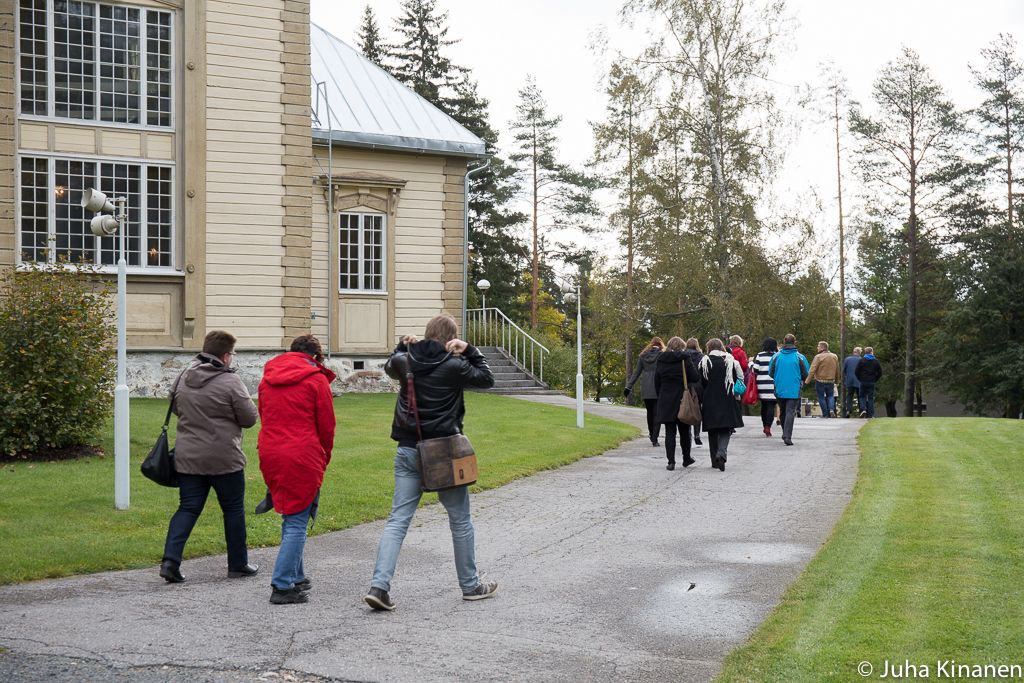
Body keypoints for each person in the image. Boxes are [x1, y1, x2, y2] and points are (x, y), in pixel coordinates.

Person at [365, 314, 497, 612]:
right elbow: (487, 379)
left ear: (426, 334)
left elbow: (390, 364)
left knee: (398, 520)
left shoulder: (405, 361)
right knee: (460, 520)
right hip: (444, 452)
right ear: (452, 338)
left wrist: (401, 345)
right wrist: (470, 350)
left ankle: (379, 587)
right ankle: (471, 585)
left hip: (409, 448)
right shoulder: (454, 365)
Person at [160, 330, 259, 584]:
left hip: (188, 457)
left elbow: (175, 407)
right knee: (233, 509)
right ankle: (237, 564)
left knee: (188, 507)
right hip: (224, 458)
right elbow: (249, 419)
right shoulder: (231, 382)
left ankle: (170, 561)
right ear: (226, 356)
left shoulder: (183, 376)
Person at [257, 335, 337, 605]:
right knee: (297, 520)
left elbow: (264, 414)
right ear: (315, 356)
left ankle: (296, 576)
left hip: (271, 450)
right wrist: (324, 457)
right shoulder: (315, 380)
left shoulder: (268, 378)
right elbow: (326, 426)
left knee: (291, 513)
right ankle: (282, 585)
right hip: (301, 452)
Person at [653, 336, 701, 470]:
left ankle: (671, 462)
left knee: (670, 431)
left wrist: (660, 395)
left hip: (666, 398)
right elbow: (695, 377)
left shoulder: (661, 359)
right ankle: (686, 458)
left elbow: (657, 380)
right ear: (682, 346)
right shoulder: (684, 358)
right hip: (682, 398)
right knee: (685, 431)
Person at [698, 338, 744, 471]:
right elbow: (738, 379)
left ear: (709, 348)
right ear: (722, 347)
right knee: (726, 428)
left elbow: (702, 383)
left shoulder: (705, 362)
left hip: (710, 399)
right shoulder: (731, 361)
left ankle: (714, 460)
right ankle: (722, 452)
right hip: (727, 398)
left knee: (712, 430)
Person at [768, 334, 810, 446]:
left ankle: (784, 432)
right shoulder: (800, 357)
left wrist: (778, 378)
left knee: (782, 410)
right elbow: (806, 373)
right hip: (794, 387)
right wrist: (800, 380)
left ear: (784, 341)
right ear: (794, 342)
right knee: (790, 411)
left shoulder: (776, 356)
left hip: (779, 387)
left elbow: (770, 372)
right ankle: (787, 436)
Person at [624, 337, 666, 447]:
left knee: (649, 412)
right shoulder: (663, 355)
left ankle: (651, 433)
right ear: (661, 344)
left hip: (646, 387)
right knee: (657, 413)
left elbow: (636, 373)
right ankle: (655, 438)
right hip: (658, 387)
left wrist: (628, 387)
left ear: (651, 344)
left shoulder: (643, 356)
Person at [750, 337, 778, 437]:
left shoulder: (760, 355)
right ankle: (768, 426)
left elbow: (755, 370)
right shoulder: (777, 356)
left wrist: (751, 364)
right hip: (773, 384)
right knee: (771, 406)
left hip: (761, 384)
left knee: (764, 406)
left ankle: (764, 425)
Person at [805, 341, 840, 418]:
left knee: (821, 397)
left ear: (822, 347)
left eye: (818, 346)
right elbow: (837, 369)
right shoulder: (834, 356)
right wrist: (837, 380)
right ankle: (831, 409)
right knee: (830, 396)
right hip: (831, 380)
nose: (817, 348)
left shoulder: (818, 357)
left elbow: (812, 369)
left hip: (820, 380)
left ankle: (825, 414)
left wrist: (807, 380)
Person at [684, 338, 705, 446]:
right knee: (697, 409)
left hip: (686, 385)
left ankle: (687, 432)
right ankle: (697, 434)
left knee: (686, 408)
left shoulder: (683, 356)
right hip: (698, 386)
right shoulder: (701, 356)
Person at [855, 347, 883, 418]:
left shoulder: (862, 360)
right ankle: (871, 414)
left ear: (865, 352)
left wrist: (860, 378)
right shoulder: (875, 361)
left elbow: (856, 371)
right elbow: (880, 372)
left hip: (863, 381)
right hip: (871, 381)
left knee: (862, 396)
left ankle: (863, 409)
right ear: (872, 352)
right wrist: (875, 379)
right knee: (870, 398)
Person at [842, 347, 863, 418]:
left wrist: (846, 377)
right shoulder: (861, 360)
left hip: (849, 380)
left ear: (853, 352)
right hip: (859, 381)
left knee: (849, 396)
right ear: (859, 352)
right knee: (860, 396)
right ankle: (861, 411)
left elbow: (843, 370)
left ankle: (848, 410)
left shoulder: (847, 359)